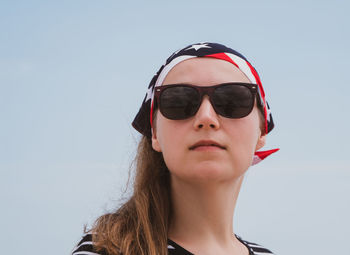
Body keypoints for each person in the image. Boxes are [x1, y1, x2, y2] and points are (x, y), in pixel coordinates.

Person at [72, 42, 279, 255]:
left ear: (262, 131)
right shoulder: (107, 250)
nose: (206, 118)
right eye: (179, 101)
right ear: (155, 134)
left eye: (233, 100)